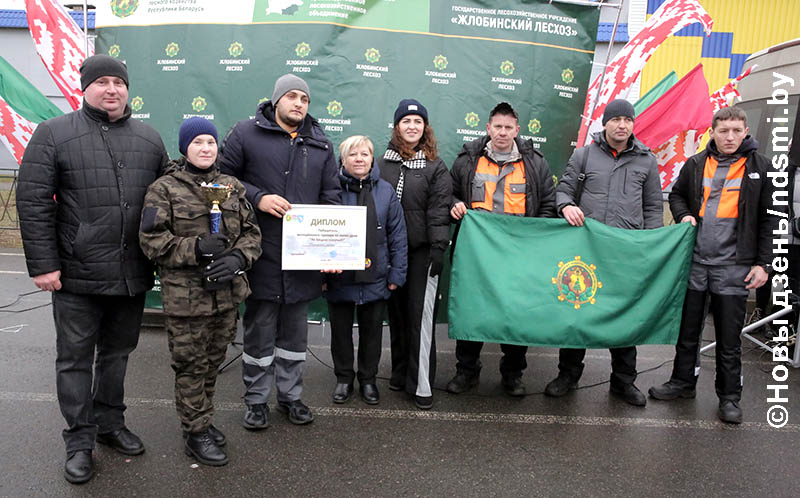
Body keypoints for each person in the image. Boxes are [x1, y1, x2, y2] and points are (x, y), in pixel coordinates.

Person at [16, 54, 169, 484]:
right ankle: (79, 440)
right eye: (101, 82)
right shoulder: (53, 134)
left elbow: (172, 194)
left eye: (118, 82)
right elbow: (32, 203)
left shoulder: (149, 138)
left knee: (118, 355)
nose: (111, 89)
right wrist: (44, 265)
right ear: (85, 88)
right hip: (76, 274)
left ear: (127, 88)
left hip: (131, 274)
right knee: (75, 360)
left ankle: (109, 424)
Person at [219, 74, 340, 428]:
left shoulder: (321, 144)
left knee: (294, 336)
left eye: (304, 98)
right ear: (275, 101)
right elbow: (221, 178)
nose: (299, 103)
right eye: (291, 96)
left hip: (303, 259)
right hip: (261, 253)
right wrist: (258, 197)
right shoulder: (245, 133)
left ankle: (290, 396)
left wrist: (330, 250)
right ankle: (256, 400)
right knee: (259, 331)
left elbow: (330, 197)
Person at [139, 118, 261, 465]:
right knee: (191, 367)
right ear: (184, 148)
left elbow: (252, 234)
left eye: (210, 142)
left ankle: (201, 419)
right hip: (187, 299)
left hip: (226, 295)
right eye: (197, 143)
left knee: (212, 365)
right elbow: (152, 242)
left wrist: (238, 258)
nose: (205, 148)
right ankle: (195, 432)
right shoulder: (164, 189)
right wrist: (196, 248)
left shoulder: (232, 187)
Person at [649, 107, 775, 424]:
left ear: (746, 131)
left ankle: (730, 397)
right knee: (688, 332)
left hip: (736, 267)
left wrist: (764, 264)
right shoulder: (695, 164)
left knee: (729, 339)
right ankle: (682, 382)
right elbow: (676, 196)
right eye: (723, 131)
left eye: (736, 130)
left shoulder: (762, 168)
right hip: (695, 264)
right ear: (713, 132)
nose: (730, 136)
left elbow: (772, 221)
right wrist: (683, 215)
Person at [545, 99, 662, 407]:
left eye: (627, 119)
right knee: (578, 315)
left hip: (626, 252)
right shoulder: (583, 155)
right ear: (605, 122)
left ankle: (623, 382)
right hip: (587, 252)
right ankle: (568, 375)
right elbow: (564, 191)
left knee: (625, 316)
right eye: (616, 119)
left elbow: (652, 207)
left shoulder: (647, 161)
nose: (622, 125)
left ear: (633, 124)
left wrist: (650, 246)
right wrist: (566, 206)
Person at [446, 102, 557, 397]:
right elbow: (450, 192)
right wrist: (453, 205)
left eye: (509, 128)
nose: (503, 133)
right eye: (498, 127)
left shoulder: (534, 163)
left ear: (517, 130)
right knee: (473, 310)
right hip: (476, 255)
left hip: (519, 256)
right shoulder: (468, 159)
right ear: (488, 128)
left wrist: (533, 237)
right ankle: (466, 371)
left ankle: (512, 375)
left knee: (516, 314)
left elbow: (547, 203)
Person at [377, 99, 451, 410]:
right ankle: (399, 374)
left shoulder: (435, 165)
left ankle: (421, 385)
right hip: (390, 253)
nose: (411, 126)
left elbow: (438, 211)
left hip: (422, 253)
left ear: (425, 128)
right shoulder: (381, 164)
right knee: (396, 317)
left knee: (419, 320)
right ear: (397, 127)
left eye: (417, 121)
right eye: (406, 121)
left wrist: (437, 248)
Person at [326, 135, 407, 405]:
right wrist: (321, 274)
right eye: (353, 155)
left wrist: (397, 274)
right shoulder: (331, 190)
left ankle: (368, 381)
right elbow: (319, 235)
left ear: (372, 158)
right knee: (340, 333)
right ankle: (344, 379)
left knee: (372, 334)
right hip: (339, 277)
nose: (359, 159)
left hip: (376, 276)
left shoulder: (385, 191)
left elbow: (398, 236)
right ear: (343, 159)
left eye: (364, 154)